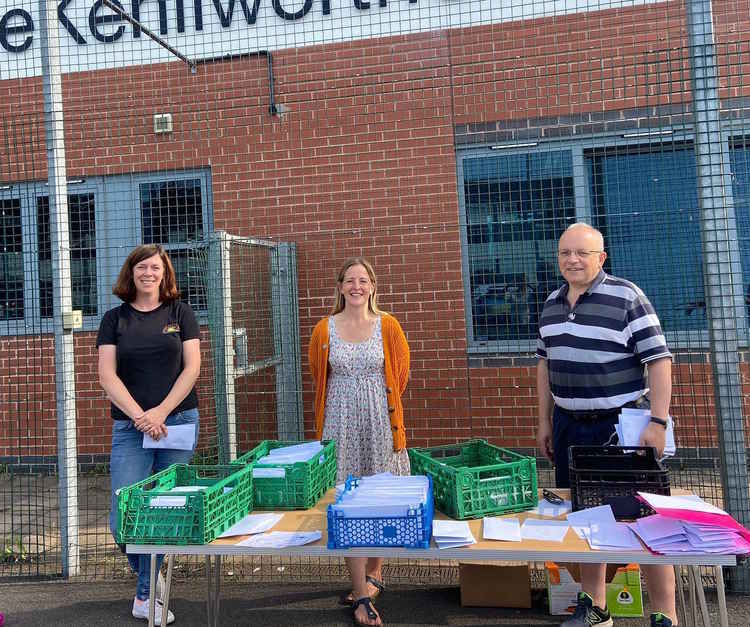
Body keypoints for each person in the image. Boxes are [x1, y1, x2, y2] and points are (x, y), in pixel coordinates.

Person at [536, 223, 677, 627]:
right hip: (568, 426)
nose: (572, 260)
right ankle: (595, 608)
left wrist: (658, 421)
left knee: (644, 519)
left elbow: (659, 360)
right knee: (585, 518)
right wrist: (544, 422)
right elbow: (544, 365)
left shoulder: (627, 296)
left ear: (601, 258)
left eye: (582, 252)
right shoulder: (550, 303)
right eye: (565, 252)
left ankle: (664, 614)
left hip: (620, 426)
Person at [97, 244, 201, 625]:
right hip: (131, 427)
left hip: (178, 421)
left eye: (155, 267)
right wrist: (142, 416)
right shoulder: (114, 319)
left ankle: (145, 596)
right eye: (141, 267)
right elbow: (107, 375)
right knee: (123, 516)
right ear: (131, 273)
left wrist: (160, 412)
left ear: (164, 273)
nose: (148, 273)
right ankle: (151, 582)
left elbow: (191, 369)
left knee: (164, 513)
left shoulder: (181, 313)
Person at [308, 257, 410, 627]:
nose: (356, 286)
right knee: (347, 502)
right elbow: (320, 378)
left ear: (372, 287)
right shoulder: (324, 329)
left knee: (381, 499)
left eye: (363, 280)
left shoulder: (389, 326)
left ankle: (375, 573)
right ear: (339, 287)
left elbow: (400, 374)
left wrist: (380, 407)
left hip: (381, 423)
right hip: (339, 423)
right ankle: (361, 594)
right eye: (349, 280)